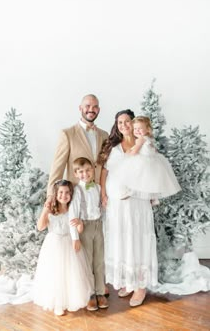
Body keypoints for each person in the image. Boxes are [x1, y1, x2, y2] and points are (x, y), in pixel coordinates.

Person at [97, 109, 158, 307]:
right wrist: (104, 194)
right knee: (122, 239)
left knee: (137, 238)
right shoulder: (114, 148)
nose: (123, 125)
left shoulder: (145, 145)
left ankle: (140, 287)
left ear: (134, 123)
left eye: (126, 121)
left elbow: (152, 171)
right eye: (119, 122)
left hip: (137, 203)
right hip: (116, 204)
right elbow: (105, 172)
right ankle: (129, 282)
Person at [33, 179, 93, 316]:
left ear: (71, 195)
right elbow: (40, 227)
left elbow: (79, 229)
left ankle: (70, 299)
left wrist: (79, 223)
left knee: (70, 273)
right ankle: (57, 303)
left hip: (69, 243)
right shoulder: (51, 211)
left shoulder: (73, 210)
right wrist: (45, 211)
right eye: (60, 192)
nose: (64, 195)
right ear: (55, 194)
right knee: (55, 274)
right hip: (53, 245)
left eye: (67, 193)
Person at [45, 94, 108, 206]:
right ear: (80, 108)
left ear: (98, 110)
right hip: (75, 195)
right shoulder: (68, 134)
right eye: (87, 106)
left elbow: (106, 166)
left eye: (95, 107)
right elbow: (57, 167)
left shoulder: (104, 135)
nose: (91, 110)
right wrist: (51, 195)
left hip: (97, 196)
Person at [69, 157, 109, 311]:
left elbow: (102, 208)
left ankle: (100, 293)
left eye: (88, 170)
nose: (85, 174)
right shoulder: (77, 190)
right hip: (84, 227)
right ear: (76, 174)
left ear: (93, 169)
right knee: (87, 262)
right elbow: (73, 216)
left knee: (99, 261)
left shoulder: (98, 187)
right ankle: (90, 294)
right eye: (81, 171)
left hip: (98, 226)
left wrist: (104, 226)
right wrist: (75, 237)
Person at [119, 116, 181, 201]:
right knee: (150, 181)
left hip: (143, 161)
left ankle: (130, 191)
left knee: (133, 175)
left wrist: (128, 153)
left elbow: (134, 152)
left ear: (147, 129)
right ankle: (154, 198)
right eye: (135, 129)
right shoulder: (149, 139)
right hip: (152, 161)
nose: (137, 131)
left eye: (140, 128)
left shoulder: (140, 140)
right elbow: (154, 150)